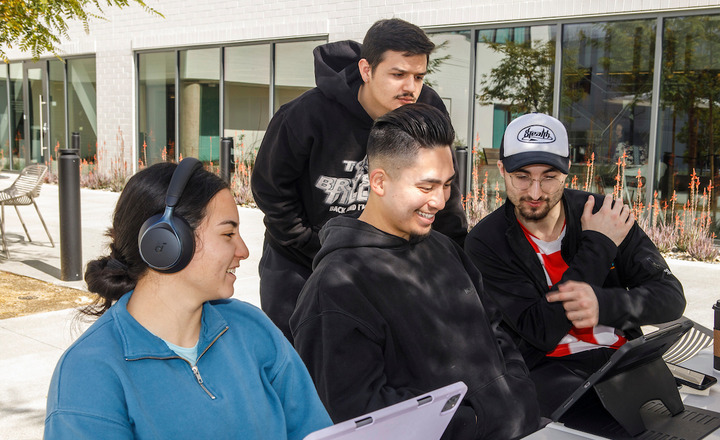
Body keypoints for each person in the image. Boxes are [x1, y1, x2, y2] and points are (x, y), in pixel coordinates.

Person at [291, 104, 540, 440]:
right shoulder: (335, 287)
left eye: (447, 184)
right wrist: (476, 423)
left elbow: (495, 331)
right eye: (426, 187)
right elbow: (355, 414)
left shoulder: (444, 247)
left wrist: (517, 395)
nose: (439, 200)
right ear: (379, 181)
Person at [44, 159, 332, 439]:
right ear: (166, 243)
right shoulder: (88, 373)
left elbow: (317, 433)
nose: (243, 250)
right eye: (228, 233)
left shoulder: (253, 329)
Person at [252, 18, 468, 341]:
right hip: (299, 264)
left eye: (419, 76)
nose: (410, 87)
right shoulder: (306, 115)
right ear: (366, 70)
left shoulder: (426, 109)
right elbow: (270, 190)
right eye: (398, 75)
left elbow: (441, 186)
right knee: (295, 363)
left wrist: (455, 257)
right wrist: (313, 246)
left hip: (385, 261)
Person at [465, 113, 686, 417]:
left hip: (624, 365)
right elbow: (540, 330)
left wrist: (604, 304)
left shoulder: (604, 214)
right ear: (501, 170)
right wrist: (599, 246)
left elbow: (671, 297)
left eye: (549, 176)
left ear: (567, 172)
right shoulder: (487, 242)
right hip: (548, 374)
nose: (535, 192)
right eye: (522, 176)